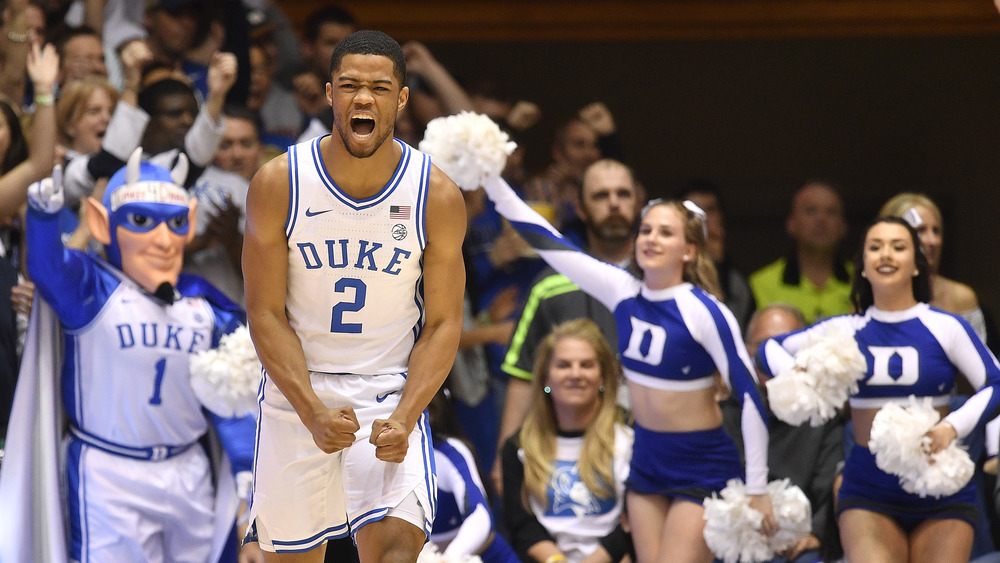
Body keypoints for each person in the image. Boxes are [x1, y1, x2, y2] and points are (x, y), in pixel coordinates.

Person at [242, 30, 466, 561]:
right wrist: (311, 409)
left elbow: (443, 324)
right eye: (349, 85)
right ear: (329, 94)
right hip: (298, 391)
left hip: (389, 392)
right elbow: (265, 313)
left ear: (402, 98)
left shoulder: (435, 195)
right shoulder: (279, 183)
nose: (363, 98)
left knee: (393, 552)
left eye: (380, 88)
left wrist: (408, 415)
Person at [477, 172, 776, 561]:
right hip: (647, 461)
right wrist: (491, 179)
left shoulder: (706, 312)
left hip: (699, 464)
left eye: (666, 233)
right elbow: (547, 242)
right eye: (646, 230)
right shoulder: (621, 291)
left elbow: (751, 395)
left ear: (689, 250)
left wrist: (757, 488)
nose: (651, 239)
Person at [15, 149, 258, 562]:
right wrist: (41, 217)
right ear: (101, 224)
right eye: (142, 221)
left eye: (176, 222)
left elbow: (231, 401)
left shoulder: (205, 307)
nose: (163, 240)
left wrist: (246, 482)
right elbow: (47, 268)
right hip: (110, 474)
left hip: (188, 471)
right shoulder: (91, 289)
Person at [757, 217, 1000, 562]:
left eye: (898, 247)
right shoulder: (844, 329)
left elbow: (996, 382)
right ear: (864, 267)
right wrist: (798, 376)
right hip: (868, 491)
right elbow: (767, 349)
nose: (886, 254)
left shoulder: (946, 327)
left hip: (941, 490)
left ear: (917, 265)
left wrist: (951, 427)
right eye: (875, 247)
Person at [493, 157, 639, 494]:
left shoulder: (663, 283)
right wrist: (504, 457)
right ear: (581, 209)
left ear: (638, 202)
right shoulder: (549, 286)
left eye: (623, 194)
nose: (614, 203)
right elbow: (523, 375)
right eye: (601, 196)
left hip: (651, 447)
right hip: (565, 458)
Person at [501, 318, 633, 563]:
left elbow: (636, 518)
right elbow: (522, 526)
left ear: (603, 376)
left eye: (586, 365)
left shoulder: (632, 436)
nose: (575, 374)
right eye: (563, 365)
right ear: (545, 378)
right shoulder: (518, 447)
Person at [720, 303, 844, 563]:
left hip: (798, 541)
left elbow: (827, 488)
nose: (769, 355)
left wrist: (817, 534)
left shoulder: (822, 416)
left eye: (783, 345)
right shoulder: (722, 413)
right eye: (762, 344)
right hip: (730, 538)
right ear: (746, 351)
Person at [878, 193, 990, 344]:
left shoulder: (961, 297)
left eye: (936, 231)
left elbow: (977, 363)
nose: (932, 241)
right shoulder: (872, 296)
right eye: (920, 230)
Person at [428, 390, 520, 563]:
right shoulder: (372, 459)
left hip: (485, 557)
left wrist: (448, 559)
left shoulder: (449, 451)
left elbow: (480, 515)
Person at [749, 180, 852, 324]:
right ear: (791, 224)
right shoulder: (761, 284)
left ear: (843, 225)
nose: (821, 220)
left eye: (831, 212)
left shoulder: (863, 281)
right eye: (811, 211)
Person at [679, 180, 755, 332]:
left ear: (721, 217)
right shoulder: (664, 271)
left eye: (710, 210)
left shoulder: (736, 281)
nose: (703, 217)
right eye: (693, 210)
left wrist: (717, 264)